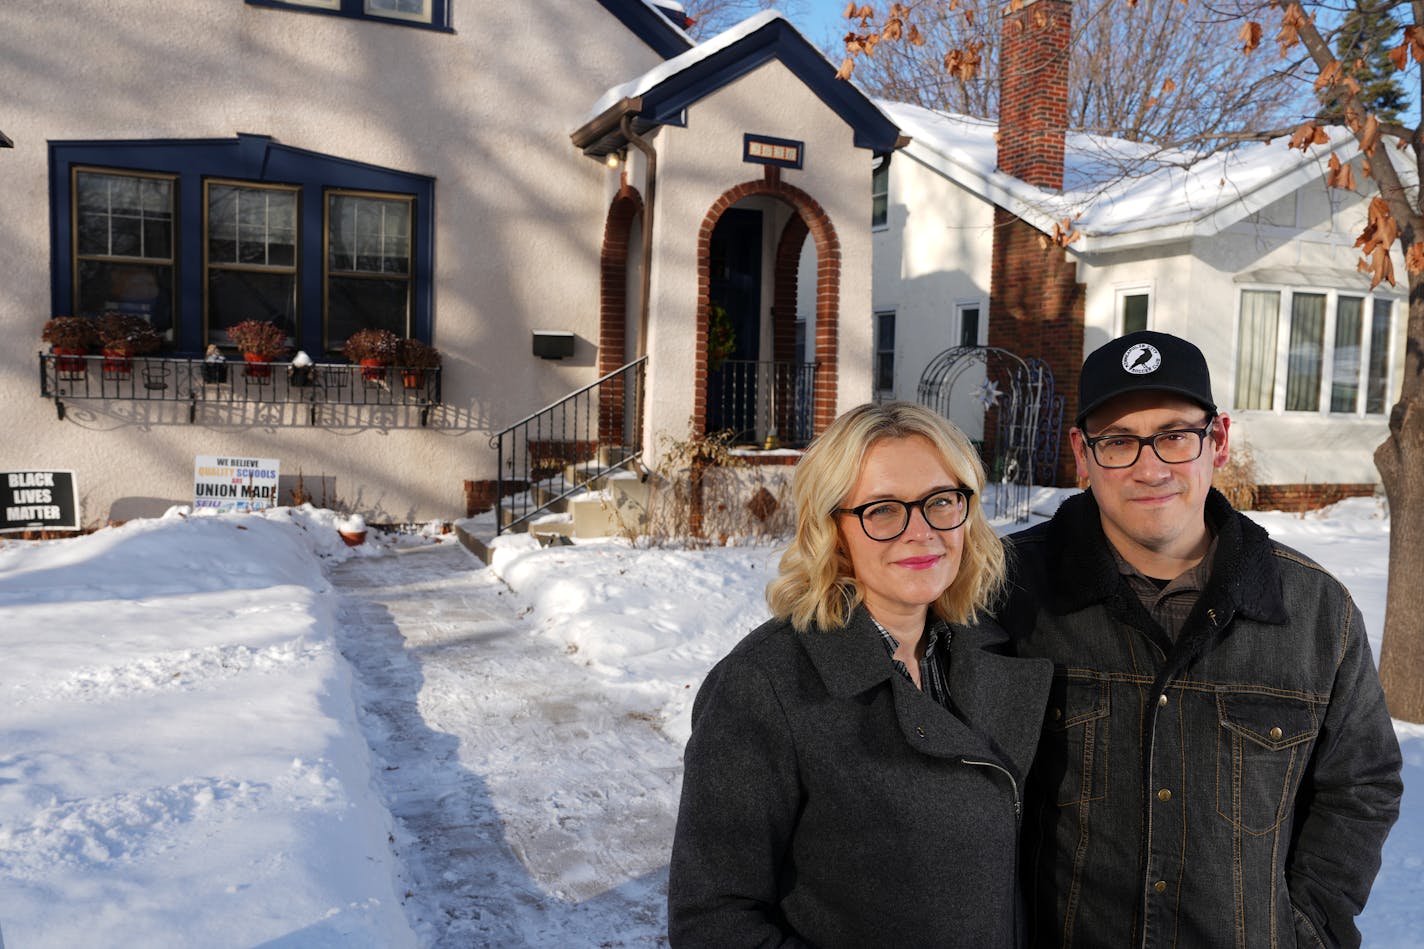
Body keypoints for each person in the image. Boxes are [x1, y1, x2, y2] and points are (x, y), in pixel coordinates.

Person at [997, 331, 1403, 947]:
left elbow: (1361, 784)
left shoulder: (1315, 613)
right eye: (1118, 441)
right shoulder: (1008, 596)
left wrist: (1305, 928)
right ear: (1082, 453)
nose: (1150, 466)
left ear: (1218, 441)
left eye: (1174, 436)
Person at [668, 401, 1052, 948]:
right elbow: (713, 920)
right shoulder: (766, 686)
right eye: (884, 510)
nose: (921, 533)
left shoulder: (983, 649)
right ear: (833, 529)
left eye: (941, 501)